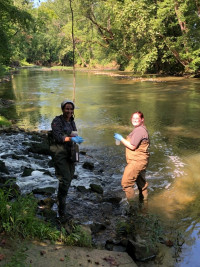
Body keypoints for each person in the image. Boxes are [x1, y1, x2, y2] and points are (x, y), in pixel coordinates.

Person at [50, 100, 84, 218]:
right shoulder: (56, 121)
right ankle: (61, 209)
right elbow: (58, 137)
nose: (69, 111)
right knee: (64, 179)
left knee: (69, 177)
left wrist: (77, 139)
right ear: (62, 109)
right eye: (67, 108)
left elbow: (74, 134)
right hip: (60, 153)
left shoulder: (72, 121)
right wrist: (71, 139)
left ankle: (60, 199)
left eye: (71, 109)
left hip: (71, 152)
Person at [114, 111, 150, 203]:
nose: (134, 120)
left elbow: (132, 146)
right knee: (142, 185)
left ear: (142, 119)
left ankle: (133, 210)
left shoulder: (139, 130)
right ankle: (144, 207)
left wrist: (121, 139)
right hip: (141, 161)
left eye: (137, 118)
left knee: (126, 184)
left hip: (136, 161)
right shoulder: (141, 129)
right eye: (133, 118)